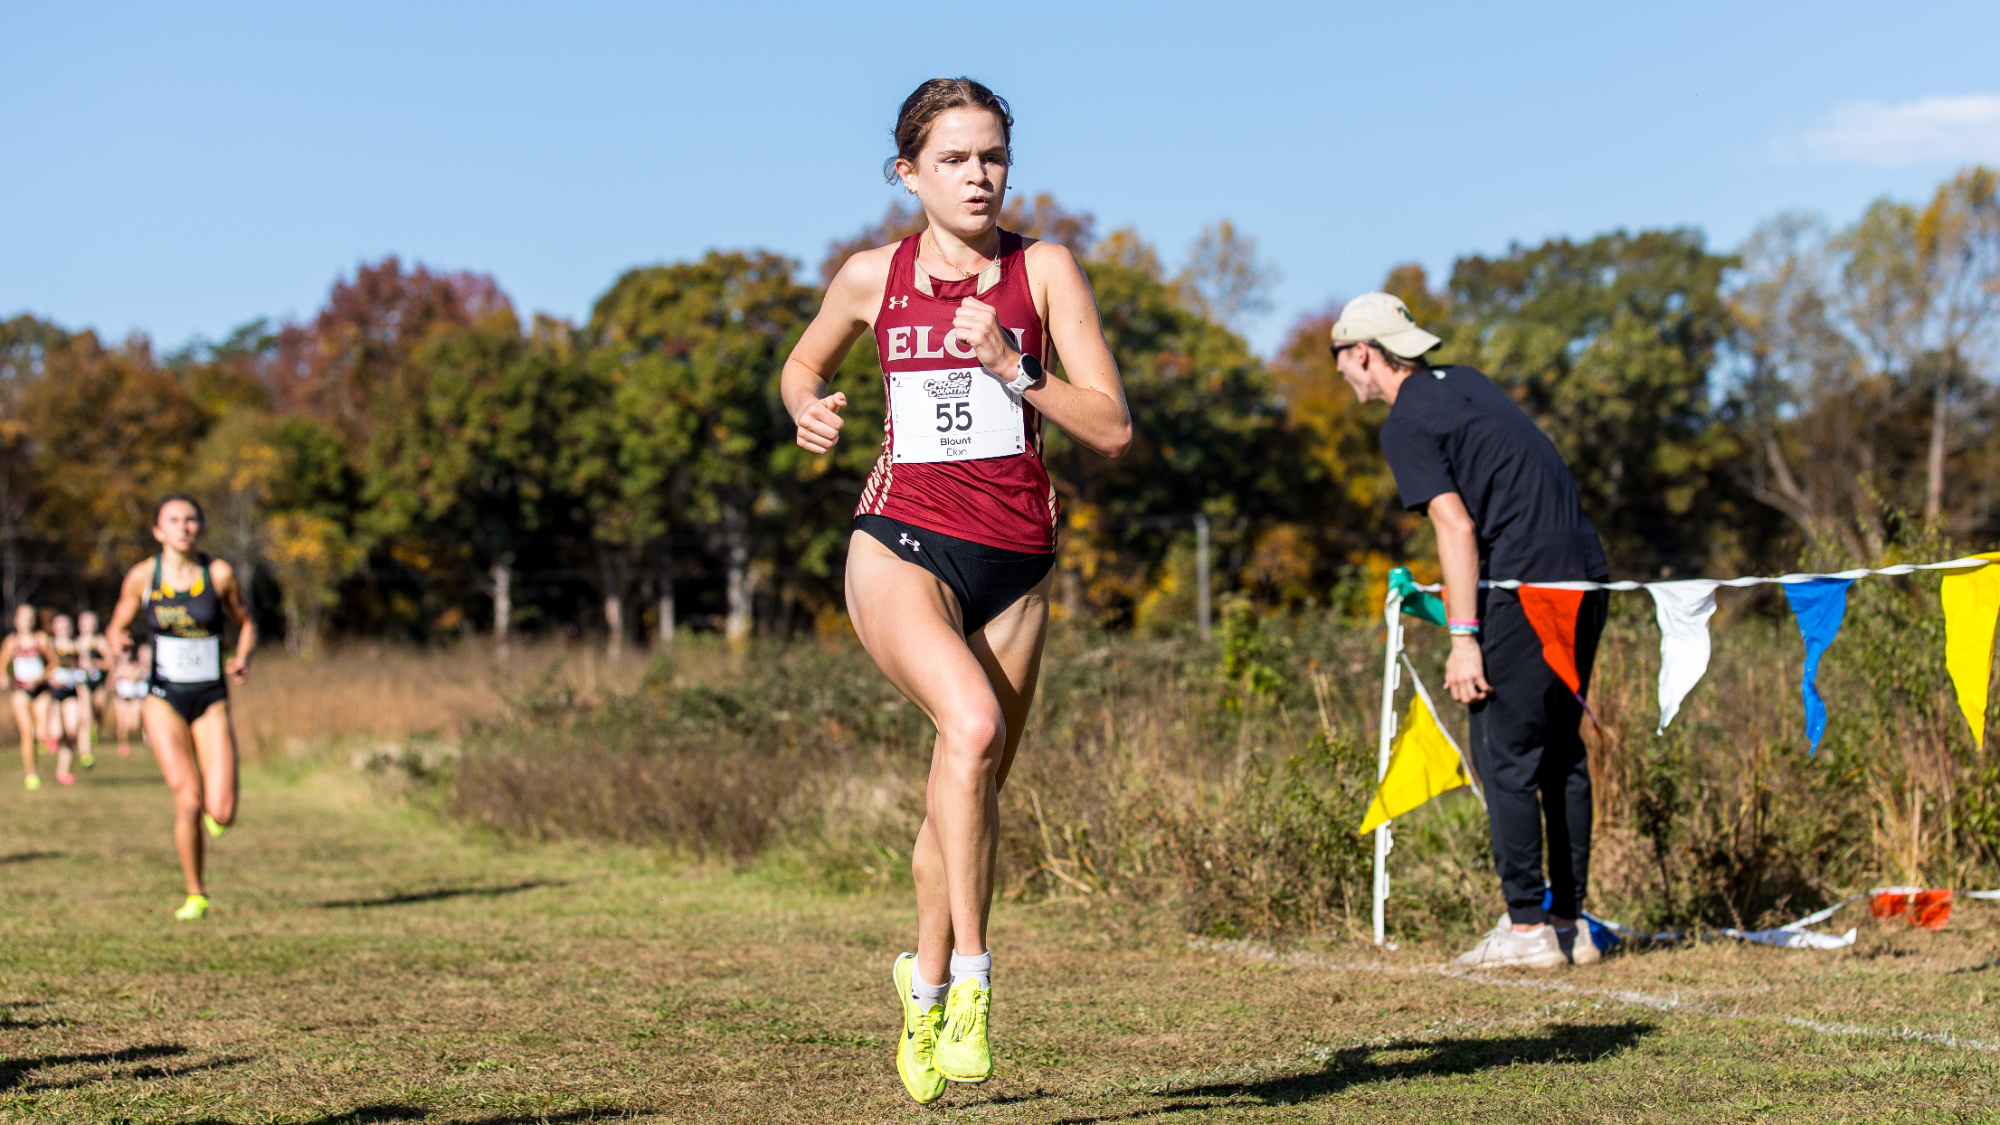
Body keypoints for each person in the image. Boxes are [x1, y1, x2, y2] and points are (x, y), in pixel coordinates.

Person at [779, 78, 1131, 1103]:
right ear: (908, 174)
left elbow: (1108, 425)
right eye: (954, 160)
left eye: (992, 158)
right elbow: (801, 368)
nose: (978, 177)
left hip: (1017, 561)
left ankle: (920, 983)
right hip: (899, 541)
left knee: (965, 791)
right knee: (970, 729)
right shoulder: (868, 276)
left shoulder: (1045, 269)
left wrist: (1017, 371)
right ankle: (975, 983)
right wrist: (810, 408)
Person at [1333, 292, 1610, 970]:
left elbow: (1456, 527)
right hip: (1589, 574)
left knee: (1502, 749)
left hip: (1526, 584)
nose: (1340, 372)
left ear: (1363, 353)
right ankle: (1567, 922)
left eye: (1340, 357)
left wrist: (1464, 638)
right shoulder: (1468, 384)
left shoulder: (1404, 423)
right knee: (1560, 752)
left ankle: (1526, 931)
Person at [107, 496, 256, 922]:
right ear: (158, 531)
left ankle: (216, 815)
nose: (183, 527)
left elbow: (246, 622)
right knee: (188, 801)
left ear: (201, 528)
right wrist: (114, 640)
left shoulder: (219, 573)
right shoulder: (143, 576)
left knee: (221, 812)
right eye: (173, 521)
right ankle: (196, 892)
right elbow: (116, 625)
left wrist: (243, 656)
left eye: (191, 520)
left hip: (210, 697)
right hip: (163, 697)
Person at [3, 604, 52, 790]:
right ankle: (30, 773)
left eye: (29, 617)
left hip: (40, 690)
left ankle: (43, 741)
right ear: (16, 620)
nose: (25, 621)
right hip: (20, 690)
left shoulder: (41, 639)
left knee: (42, 733)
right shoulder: (11, 641)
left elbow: (53, 663)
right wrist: (3, 676)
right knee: (27, 733)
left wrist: (39, 679)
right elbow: (2, 664)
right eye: (22, 617)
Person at [46, 614, 86, 784]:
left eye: (67, 626)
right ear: (54, 628)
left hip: (71, 691)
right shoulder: (49, 644)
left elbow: (86, 667)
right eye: (60, 626)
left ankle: (64, 771)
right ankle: (51, 739)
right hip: (53, 693)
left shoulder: (78, 645)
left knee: (71, 732)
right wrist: (49, 677)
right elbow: (41, 667)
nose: (64, 630)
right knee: (57, 732)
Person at [76, 610, 111, 767]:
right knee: (85, 716)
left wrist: (97, 664)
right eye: (85, 623)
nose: (88, 626)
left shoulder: (99, 641)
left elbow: (110, 662)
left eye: (91, 623)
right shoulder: (75, 643)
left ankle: (95, 728)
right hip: (82, 682)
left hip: (98, 682)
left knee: (98, 708)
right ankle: (85, 753)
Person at [111, 640, 151, 759]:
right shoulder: (115, 668)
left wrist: (128, 675)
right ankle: (123, 745)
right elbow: (111, 683)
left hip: (134, 698)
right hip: (121, 698)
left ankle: (147, 740)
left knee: (134, 724)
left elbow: (135, 677)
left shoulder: (135, 666)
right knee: (122, 724)